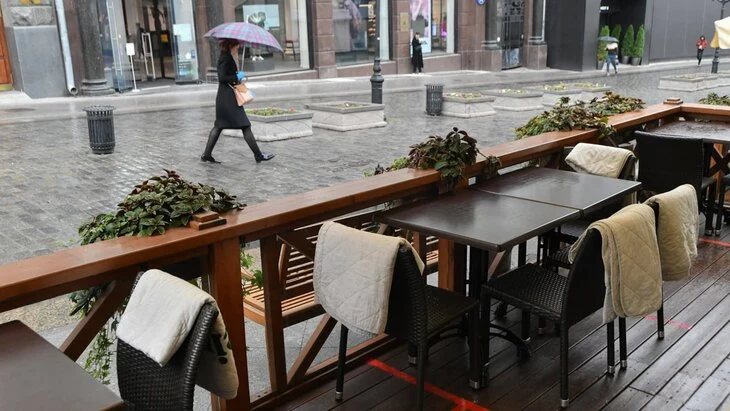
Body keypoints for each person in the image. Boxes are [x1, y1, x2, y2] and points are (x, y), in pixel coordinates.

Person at [201, 39, 274, 164]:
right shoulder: (225, 58)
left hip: (225, 97)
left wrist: (237, 76)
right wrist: (237, 76)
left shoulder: (226, 56)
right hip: (228, 99)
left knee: (219, 126)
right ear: (230, 45)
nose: (238, 47)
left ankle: (207, 155)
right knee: (245, 125)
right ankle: (258, 155)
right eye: (236, 45)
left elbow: (226, 76)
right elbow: (222, 77)